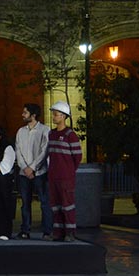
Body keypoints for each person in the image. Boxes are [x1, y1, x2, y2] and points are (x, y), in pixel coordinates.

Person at [15, 102, 52, 240]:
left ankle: (47, 231)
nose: (22, 115)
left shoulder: (44, 130)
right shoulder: (21, 131)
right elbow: (18, 151)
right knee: (25, 202)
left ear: (33, 115)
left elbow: (44, 151)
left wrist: (33, 167)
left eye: (25, 112)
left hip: (40, 172)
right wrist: (25, 167)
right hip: (24, 173)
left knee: (44, 201)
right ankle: (25, 229)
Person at [48, 100, 83, 242]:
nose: (53, 117)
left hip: (65, 177)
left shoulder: (70, 135)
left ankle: (70, 233)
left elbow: (77, 157)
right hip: (53, 176)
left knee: (67, 205)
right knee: (55, 206)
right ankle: (58, 232)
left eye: (56, 114)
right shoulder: (51, 134)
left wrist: (69, 171)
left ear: (63, 116)